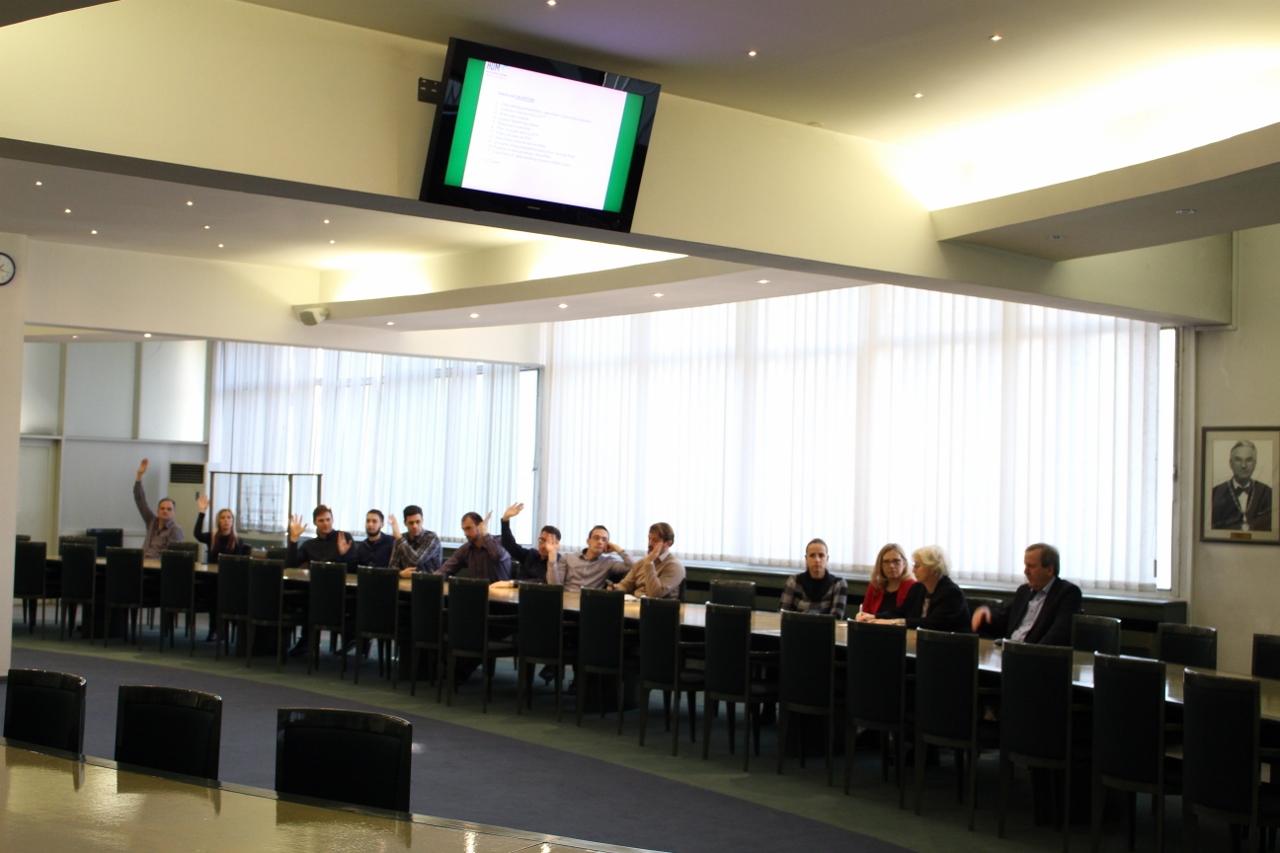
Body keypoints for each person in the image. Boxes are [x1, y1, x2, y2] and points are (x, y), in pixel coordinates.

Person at [970, 543, 1082, 645]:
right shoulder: (1023, 591)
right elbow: (1003, 624)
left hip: (1036, 656)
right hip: (1009, 652)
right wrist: (985, 616)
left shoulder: (1067, 593)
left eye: (1031, 566)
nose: (1025, 571)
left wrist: (1028, 653)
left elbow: (1057, 636)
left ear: (1049, 570)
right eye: (1025, 565)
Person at [857, 544, 970, 632]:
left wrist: (892, 622)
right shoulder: (918, 588)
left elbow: (932, 623)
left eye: (917, 566)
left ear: (932, 568)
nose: (913, 570)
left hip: (952, 646)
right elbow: (901, 611)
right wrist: (874, 617)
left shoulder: (951, 593)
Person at [496, 501, 567, 585]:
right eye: (542, 540)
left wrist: (513, 583)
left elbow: (543, 581)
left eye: (549, 542)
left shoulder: (557, 561)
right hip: (518, 590)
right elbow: (510, 546)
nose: (544, 545)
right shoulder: (531, 554)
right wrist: (505, 520)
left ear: (556, 544)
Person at [609, 522, 685, 599]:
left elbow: (655, 593)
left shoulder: (675, 566)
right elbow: (626, 585)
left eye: (655, 540)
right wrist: (615, 588)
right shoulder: (642, 562)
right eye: (649, 538)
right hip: (636, 603)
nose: (650, 543)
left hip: (657, 605)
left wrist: (649, 563)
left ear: (668, 543)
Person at [1211, 439, 1274, 531]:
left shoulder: (1268, 493)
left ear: (1255, 464)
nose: (1243, 465)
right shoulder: (1215, 493)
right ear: (1230, 463)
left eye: (1248, 460)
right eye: (1238, 460)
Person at [550, 525, 633, 592]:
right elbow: (555, 586)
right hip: (567, 600)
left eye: (604, 540)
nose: (600, 542)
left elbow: (635, 567)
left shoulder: (608, 562)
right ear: (588, 541)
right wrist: (552, 555)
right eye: (596, 538)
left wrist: (617, 549)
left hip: (590, 602)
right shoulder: (568, 557)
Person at [779, 538, 848, 618]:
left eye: (821, 555)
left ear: (827, 558)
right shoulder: (794, 581)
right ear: (806, 558)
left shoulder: (838, 584)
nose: (817, 560)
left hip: (826, 626)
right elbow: (782, 613)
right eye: (812, 555)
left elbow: (836, 617)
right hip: (797, 625)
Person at [437, 511, 511, 582]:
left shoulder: (501, 541)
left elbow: (497, 555)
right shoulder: (466, 548)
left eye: (469, 528)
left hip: (499, 590)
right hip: (475, 589)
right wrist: (434, 579)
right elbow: (446, 569)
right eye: (464, 529)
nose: (466, 533)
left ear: (479, 526)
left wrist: (485, 532)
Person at [133, 458, 185, 559]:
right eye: (162, 508)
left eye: (169, 509)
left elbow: (173, 557)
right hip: (142, 562)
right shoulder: (151, 521)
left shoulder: (175, 530)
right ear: (158, 511)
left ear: (174, 513)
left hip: (158, 566)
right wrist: (139, 475)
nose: (165, 511)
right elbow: (140, 501)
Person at [286, 505, 356, 569]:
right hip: (315, 578)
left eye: (328, 519)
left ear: (332, 520)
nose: (325, 523)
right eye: (321, 521)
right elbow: (290, 566)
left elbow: (354, 570)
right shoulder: (309, 545)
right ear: (314, 522)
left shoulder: (344, 538)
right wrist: (294, 539)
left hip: (339, 578)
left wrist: (344, 555)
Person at [859, 542, 915, 617]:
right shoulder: (875, 585)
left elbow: (908, 616)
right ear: (880, 565)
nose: (891, 566)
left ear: (904, 563)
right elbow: (865, 612)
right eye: (886, 562)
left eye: (896, 561)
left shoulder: (912, 586)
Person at [193, 493, 250, 561]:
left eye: (229, 517)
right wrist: (202, 511)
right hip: (211, 567)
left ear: (232, 521)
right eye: (222, 518)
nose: (226, 520)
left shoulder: (238, 541)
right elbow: (197, 534)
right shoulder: (212, 537)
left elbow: (238, 562)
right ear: (218, 521)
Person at [389, 505, 443, 578]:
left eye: (418, 522)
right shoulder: (400, 539)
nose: (415, 526)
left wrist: (399, 538)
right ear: (405, 523)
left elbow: (416, 561)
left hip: (428, 581)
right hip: (404, 581)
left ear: (422, 521)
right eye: (411, 523)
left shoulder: (432, 537)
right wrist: (400, 574)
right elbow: (392, 567)